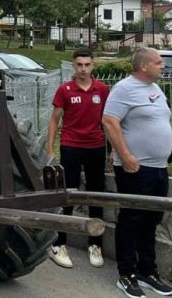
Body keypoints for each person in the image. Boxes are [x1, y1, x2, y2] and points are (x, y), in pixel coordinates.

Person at [103, 47, 172, 298]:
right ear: (143, 66)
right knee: (131, 219)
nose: (163, 66)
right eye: (158, 62)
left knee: (151, 220)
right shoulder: (124, 88)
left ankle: (148, 272)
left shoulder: (155, 89)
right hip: (135, 168)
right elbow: (109, 121)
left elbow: (160, 119)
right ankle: (126, 274)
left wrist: (170, 143)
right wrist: (125, 155)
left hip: (159, 168)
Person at [46, 48, 110, 269]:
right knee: (68, 195)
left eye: (87, 65)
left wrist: (112, 150)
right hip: (71, 146)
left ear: (93, 66)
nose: (83, 69)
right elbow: (55, 120)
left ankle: (95, 244)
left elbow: (107, 121)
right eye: (79, 65)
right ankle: (59, 244)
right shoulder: (64, 90)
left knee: (96, 196)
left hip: (96, 147)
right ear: (73, 66)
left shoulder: (102, 89)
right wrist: (50, 147)